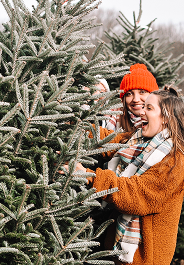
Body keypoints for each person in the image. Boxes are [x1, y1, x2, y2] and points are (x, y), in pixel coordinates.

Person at [68, 87, 184, 264]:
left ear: (166, 117)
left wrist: (88, 175)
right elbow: (108, 139)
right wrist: (75, 125)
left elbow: (136, 194)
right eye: (144, 107)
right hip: (114, 253)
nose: (142, 112)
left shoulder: (175, 159)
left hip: (142, 258)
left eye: (149, 108)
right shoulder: (139, 140)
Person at [106, 63, 159, 132]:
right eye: (129, 94)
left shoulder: (165, 122)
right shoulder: (111, 116)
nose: (135, 99)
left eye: (142, 92)